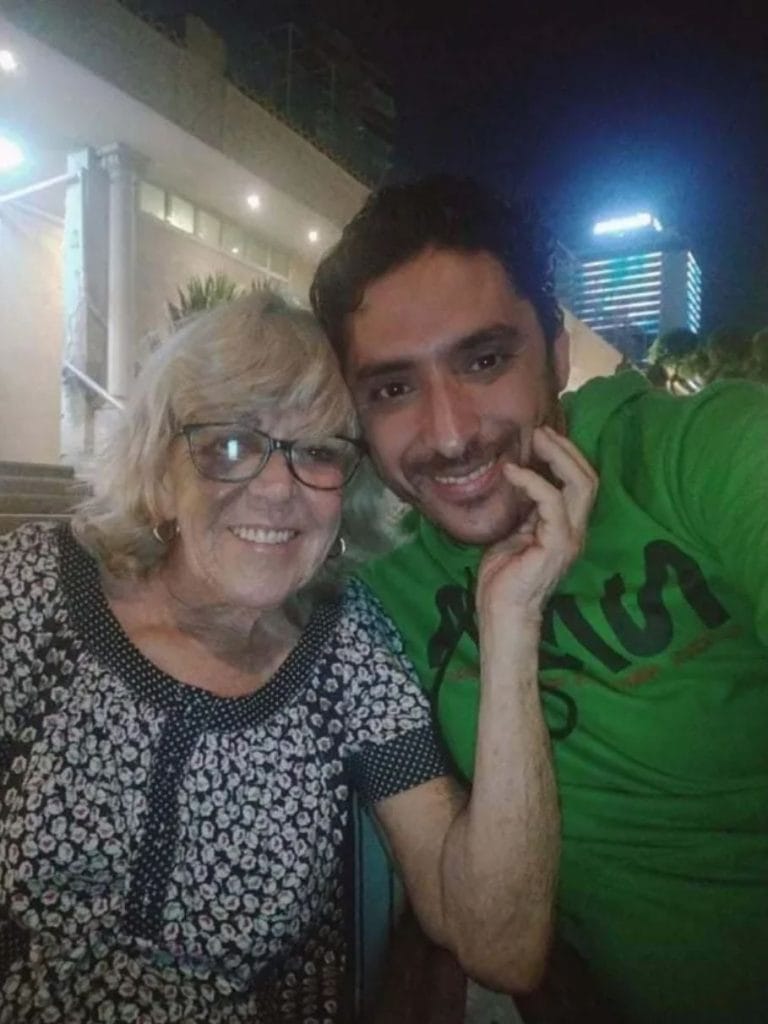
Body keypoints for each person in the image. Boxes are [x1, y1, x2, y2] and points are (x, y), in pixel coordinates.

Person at [0, 289, 592, 1023]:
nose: (279, 488)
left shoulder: (346, 648)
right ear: (159, 473)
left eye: (317, 453)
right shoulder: (34, 588)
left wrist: (512, 620)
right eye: (230, 446)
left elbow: (498, 945)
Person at [310, 176, 768, 1024]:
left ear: (557, 353)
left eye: (484, 361)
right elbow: (497, 943)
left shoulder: (697, 454)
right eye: (394, 389)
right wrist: (510, 618)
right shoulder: (384, 603)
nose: (451, 433)